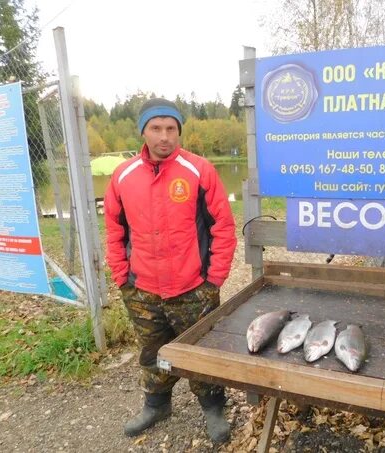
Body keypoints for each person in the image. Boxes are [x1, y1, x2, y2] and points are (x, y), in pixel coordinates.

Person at [104, 98, 237, 443]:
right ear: (143, 131)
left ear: (179, 130)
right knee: (153, 353)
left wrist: (214, 281)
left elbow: (223, 227)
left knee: (201, 353)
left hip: (194, 288)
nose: (164, 136)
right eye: (156, 128)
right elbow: (115, 231)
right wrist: (122, 279)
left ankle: (212, 407)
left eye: (171, 128)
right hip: (143, 289)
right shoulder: (123, 176)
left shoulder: (199, 170)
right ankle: (157, 404)